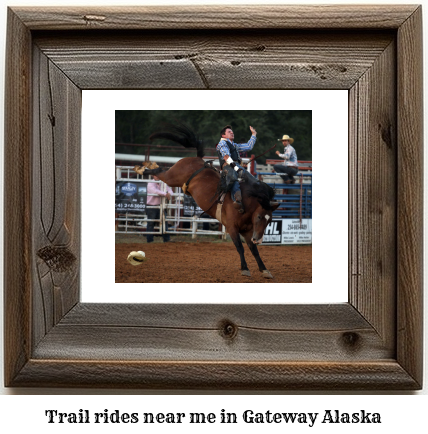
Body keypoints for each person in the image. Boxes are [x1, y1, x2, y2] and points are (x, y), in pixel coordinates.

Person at [216, 125, 257, 213]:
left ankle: (252, 198)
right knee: (233, 178)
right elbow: (226, 157)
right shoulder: (222, 143)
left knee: (251, 179)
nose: (232, 132)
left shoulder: (234, 145)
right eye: (229, 132)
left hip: (236, 165)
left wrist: (253, 134)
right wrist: (236, 167)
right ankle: (237, 199)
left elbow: (248, 147)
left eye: (232, 131)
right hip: (228, 165)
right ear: (223, 135)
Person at [146, 174, 174, 243]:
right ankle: (150, 240)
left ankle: (166, 239)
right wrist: (166, 194)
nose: (157, 176)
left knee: (164, 222)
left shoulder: (163, 183)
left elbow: (170, 190)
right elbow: (155, 191)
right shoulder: (150, 183)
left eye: (158, 175)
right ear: (153, 176)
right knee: (151, 223)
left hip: (160, 205)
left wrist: (169, 194)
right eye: (155, 175)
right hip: (151, 205)